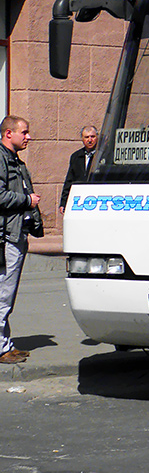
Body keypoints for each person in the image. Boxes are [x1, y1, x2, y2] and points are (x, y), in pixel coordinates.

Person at [0, 115, 42, 364]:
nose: (28, 136)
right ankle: (2, 348)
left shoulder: (14, 160)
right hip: (7, 237)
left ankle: (5, 343)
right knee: (4, 294)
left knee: (6, 293)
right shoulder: (2, 159)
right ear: (8, 134)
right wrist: (28, 201)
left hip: (16, 234)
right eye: (24, 132)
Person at [59, 124, 98, 213]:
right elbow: (69, 180)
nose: (90, 140)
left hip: (97, 199)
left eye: (92, 137)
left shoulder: (103, 156)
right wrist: (63, 203)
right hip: (80, 201)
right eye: (86, 137)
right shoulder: (76, 156)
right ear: (82, 139)